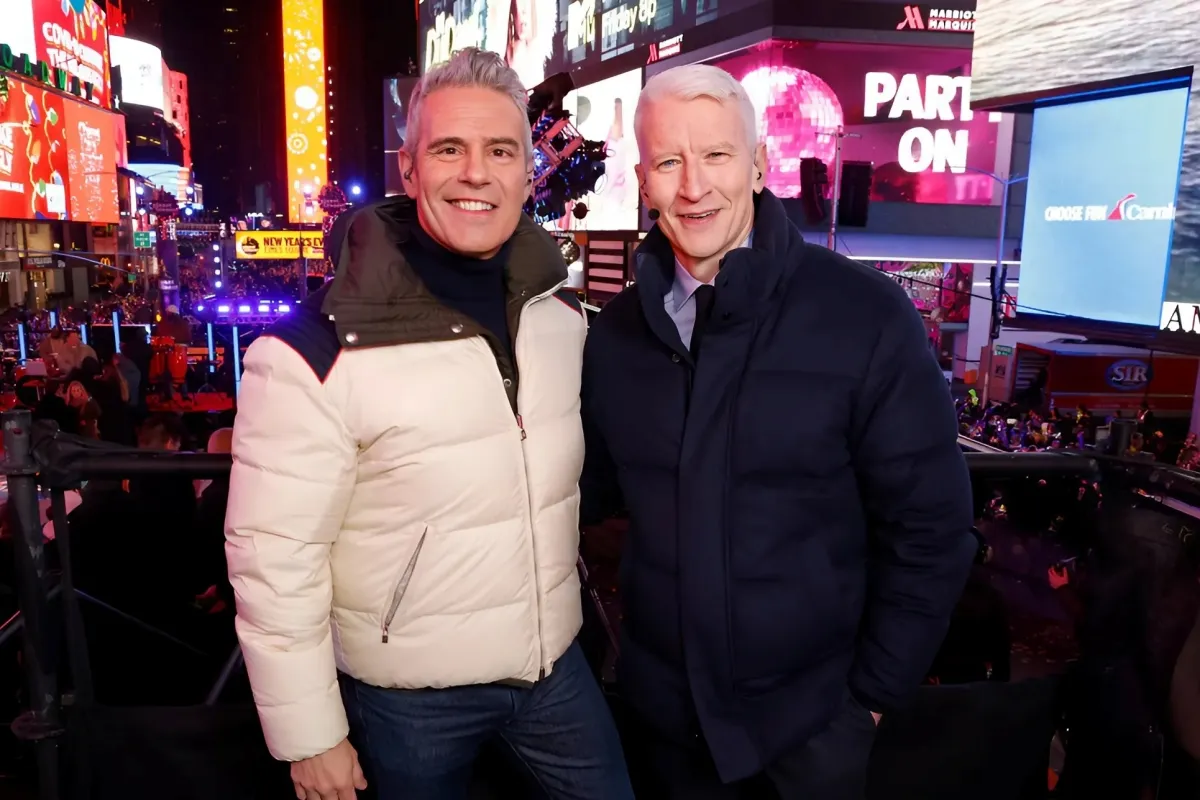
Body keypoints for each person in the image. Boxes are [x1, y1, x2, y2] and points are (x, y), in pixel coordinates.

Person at [226, 47, 633, 800]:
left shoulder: (559, 317)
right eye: (450, 149)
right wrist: (311, 735)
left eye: (500, 151)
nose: (476, 172)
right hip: (407, 698)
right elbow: (273, 558)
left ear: (524, 173)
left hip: (554, 666)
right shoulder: (314, 350)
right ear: (411, 170)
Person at [580, 64, 976, 798]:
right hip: (663, 732)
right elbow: (586, 497)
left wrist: (873, 700)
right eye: (670, 162)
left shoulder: (864, 315)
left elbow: (933, 529)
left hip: (813, 734)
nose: (694, 186)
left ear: (759, 166)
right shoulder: (616, 337)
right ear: (644, 181)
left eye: (718, 156)